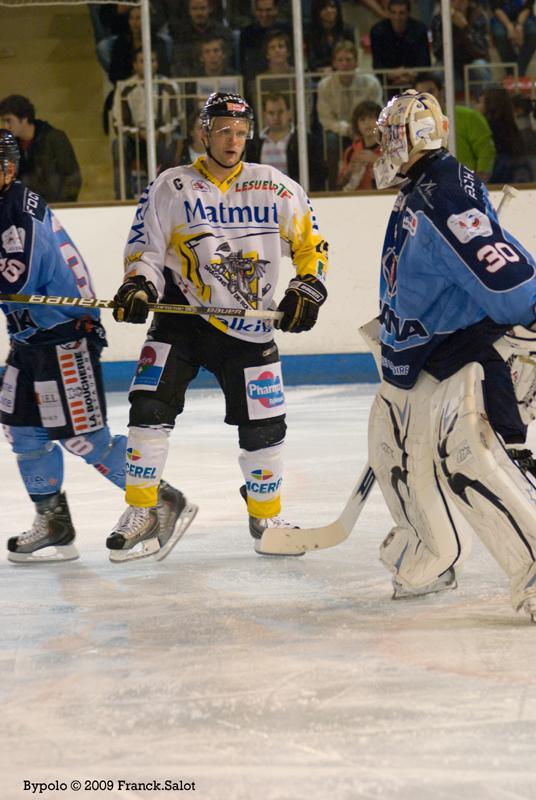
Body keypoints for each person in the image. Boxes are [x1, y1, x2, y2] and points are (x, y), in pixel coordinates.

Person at [109, 92, 329, 559]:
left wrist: (307, 287)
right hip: (180, 318)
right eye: (225, 131)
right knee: (147, 408)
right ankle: (144, 509)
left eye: (242, 133)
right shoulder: (172, 186)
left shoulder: (274, 185)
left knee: (264, 426)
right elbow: (145, 249)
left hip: (250, 325)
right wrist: (139, 286)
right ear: (203, 132)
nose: (234, 141)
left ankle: (265, 515)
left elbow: (311, 245)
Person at [367, 89, 536, 620]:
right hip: (423, 356)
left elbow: (504, 283)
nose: (381, 146)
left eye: (386, 136)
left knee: (472, 458)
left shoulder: (440, 194)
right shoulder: (424, 185)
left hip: (466, 356)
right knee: (389, 444)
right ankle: (431, 552)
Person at [0, 130, 191, 564]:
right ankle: (54, 524)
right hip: (29, 339)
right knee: (23, 432)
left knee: (85, 438)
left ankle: (159, 501)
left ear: (8, 169)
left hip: (64, 337)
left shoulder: (18, 214)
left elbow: (15, 279)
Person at [111, 47, 182, 199]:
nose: (148, 64)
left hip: (161, 135)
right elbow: (118, 122)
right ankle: (123, 196)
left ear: (157, 63)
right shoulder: (125, 87)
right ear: (135, 65)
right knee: (119, 145)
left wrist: (161, 132)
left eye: (152, 60)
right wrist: (138, 133)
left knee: (172, 144)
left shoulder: (170, 86)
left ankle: (167, 196)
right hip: (134, 137)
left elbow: (177, 119)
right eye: (142, 61)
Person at [317, 40, 383, 188]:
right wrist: (348, 129)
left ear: (356, 61)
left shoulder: (371, 83)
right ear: (334, 63)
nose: (344, 64)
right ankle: (335, 186)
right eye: (340, 60)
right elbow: (326, 119)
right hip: (340, 131)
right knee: (331, 141)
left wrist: (362, 126)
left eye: (348, 60)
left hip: (368, 126)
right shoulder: (324, 85)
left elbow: (378, 112)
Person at [413, 72, 496, 182]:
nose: (427, 98)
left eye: (431, 92)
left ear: (441, 92)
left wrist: (477, 185)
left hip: (466, 185)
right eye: (421, 95)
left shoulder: (469, 116)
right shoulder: (415, 127)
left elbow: (486, 153)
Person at [0, 95, 81, 203]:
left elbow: (72, 177)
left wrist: (61, 205)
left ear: (24, 119)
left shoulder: (53, 138)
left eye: (9, 121)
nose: (6, 126)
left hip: (55, 209)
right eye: (3, 121)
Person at [247, 92, 326, 190]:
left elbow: (318, 174)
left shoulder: (306, 141)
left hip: (295, 199)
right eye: (271, 113)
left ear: (289, 113)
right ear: (264, 115)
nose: (276, 117)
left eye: (280, 112)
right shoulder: (255, 144)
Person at [430, 0, 491, 92]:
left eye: (462, 1)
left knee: (479, 67)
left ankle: (482, 102)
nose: (457, 4)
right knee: (439, 72)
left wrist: (465, 28)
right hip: (449, 63)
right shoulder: (438, 19)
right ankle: (447, 105)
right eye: (453, 1)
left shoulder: (478, 16)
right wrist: (447, 26)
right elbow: (437, 52)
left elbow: (481, 51)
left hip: (473, 61)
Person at [478, 85, 533, 184]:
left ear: (490, 104)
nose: (477, 106)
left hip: (499, 175)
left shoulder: (487, 127)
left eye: (480, 102)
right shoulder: (512, 126)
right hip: (516, 175)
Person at [370, 0, 431, 88]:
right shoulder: (377, 31)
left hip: (415, 80)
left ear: (408, 13)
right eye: (393, 13)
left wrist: (408, 75)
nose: (397, 17)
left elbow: (425, 62)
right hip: (387, 81)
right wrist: (393, 74)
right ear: (388, 13)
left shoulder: (420, 29)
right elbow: (377, 64)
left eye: (401, 13)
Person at [336, 100, 382, 190]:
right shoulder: (351, 151)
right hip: (357, 200)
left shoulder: (390, 148)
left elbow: (402, 179)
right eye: (362, 120)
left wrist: (377, 160)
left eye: (371, 118)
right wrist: (349, 172)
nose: (367, 123)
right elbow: (339, 186)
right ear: (357, 125)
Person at [305, 0, 356, 73]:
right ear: (317, 11)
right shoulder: (310, 32)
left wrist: (333, 68)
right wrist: (322, 69)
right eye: (324, 8)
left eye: (332, 7)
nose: (329, 10)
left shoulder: (347, 30)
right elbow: (312, 62)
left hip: (343, 71)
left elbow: (352, 57)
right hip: (319, 74)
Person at [490, 0, 536, 77]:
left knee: (533, 33)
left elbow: (527, 8)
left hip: (524, 18)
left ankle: (518, 71)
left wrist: (519, 26)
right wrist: (509, 26)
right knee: (499, 34)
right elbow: (496, 9)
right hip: (501, 18)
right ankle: (511, 70)